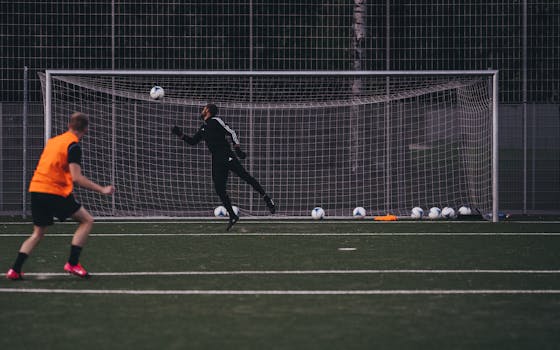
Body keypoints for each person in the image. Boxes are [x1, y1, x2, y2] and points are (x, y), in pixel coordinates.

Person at [6, 112, 115, 280]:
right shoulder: (73, 146)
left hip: (36, 189)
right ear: (85, 129)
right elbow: (77, 178)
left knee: (37, 234)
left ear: (69, 125)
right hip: (54, 191)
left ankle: (15, 269)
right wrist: (102, 189)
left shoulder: (54, 141)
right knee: (87, 220)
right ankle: (72, 263)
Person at [172, 103, 276, 231]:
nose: (202, 110)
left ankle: (267, 199)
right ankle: (232, 216)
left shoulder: (216, 121)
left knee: (246, 177)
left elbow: (231, 132)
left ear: (209, 111)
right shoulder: (203, 128)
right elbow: (193, 142)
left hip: (227, 155)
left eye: (204, 108)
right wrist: (180, 135)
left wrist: (237, 149)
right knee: (219, 189)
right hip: (216, 161)